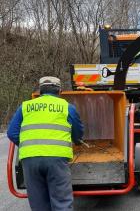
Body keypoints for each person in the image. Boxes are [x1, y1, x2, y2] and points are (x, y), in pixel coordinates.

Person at [7, 76, 84, 211]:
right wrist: (77, 141)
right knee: (62, 203)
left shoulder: (25, 107)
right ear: (59, 90)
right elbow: (78, 133)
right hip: (56, 159)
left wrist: (29, 145)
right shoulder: (67, 107)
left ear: (40, 91)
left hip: (30, 160)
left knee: (39, 205)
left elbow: (12, 132)